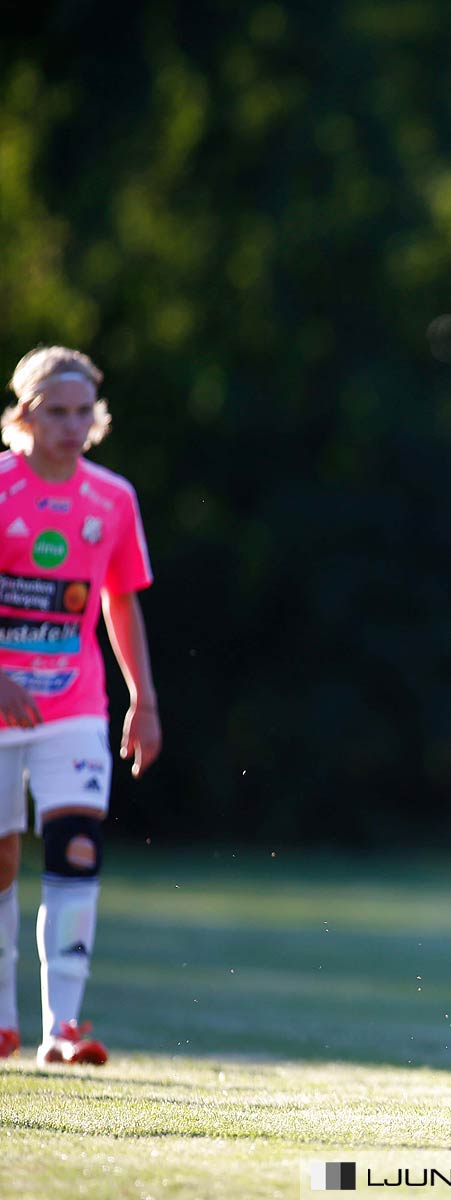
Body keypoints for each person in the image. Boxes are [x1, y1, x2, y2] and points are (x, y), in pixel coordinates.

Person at [0, 346, 160, 1067]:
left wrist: (144, 700)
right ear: (25, 414)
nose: (71, 425)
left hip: (75, 705)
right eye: (56, 411)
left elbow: (119, 600)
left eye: (82, 412)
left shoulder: (112, 499)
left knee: (76, 849)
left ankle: (62, 1027)